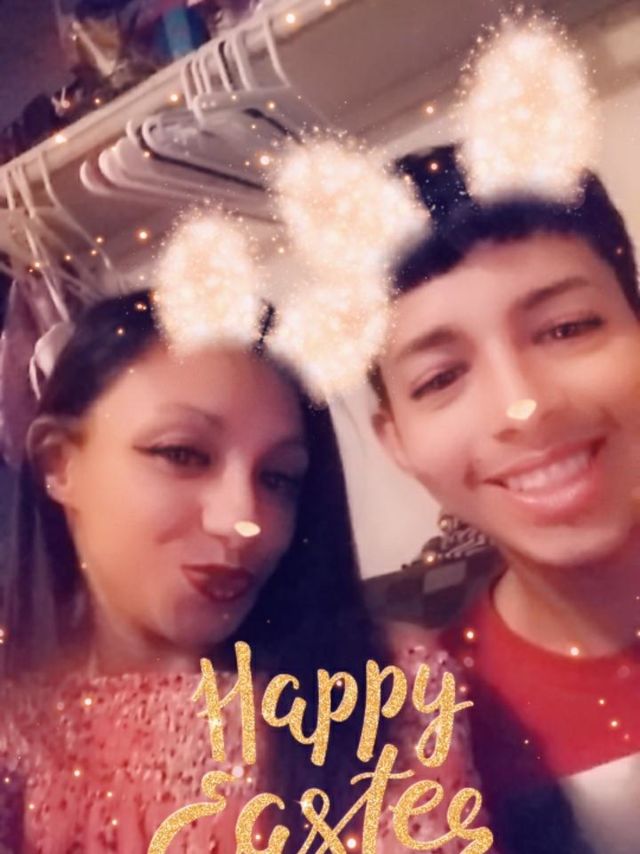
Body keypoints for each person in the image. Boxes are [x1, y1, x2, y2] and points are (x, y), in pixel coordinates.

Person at [0, 287, 483, 852]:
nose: (244, 521)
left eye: (278, 478)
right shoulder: (16, 723)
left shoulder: (388, 688)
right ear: (60, 463)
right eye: (182, 454)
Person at [370, 147, 640, 853]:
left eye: (566, 328)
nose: (522, 406)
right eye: (440, 378)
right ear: (396, 442)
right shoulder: (418, 734)